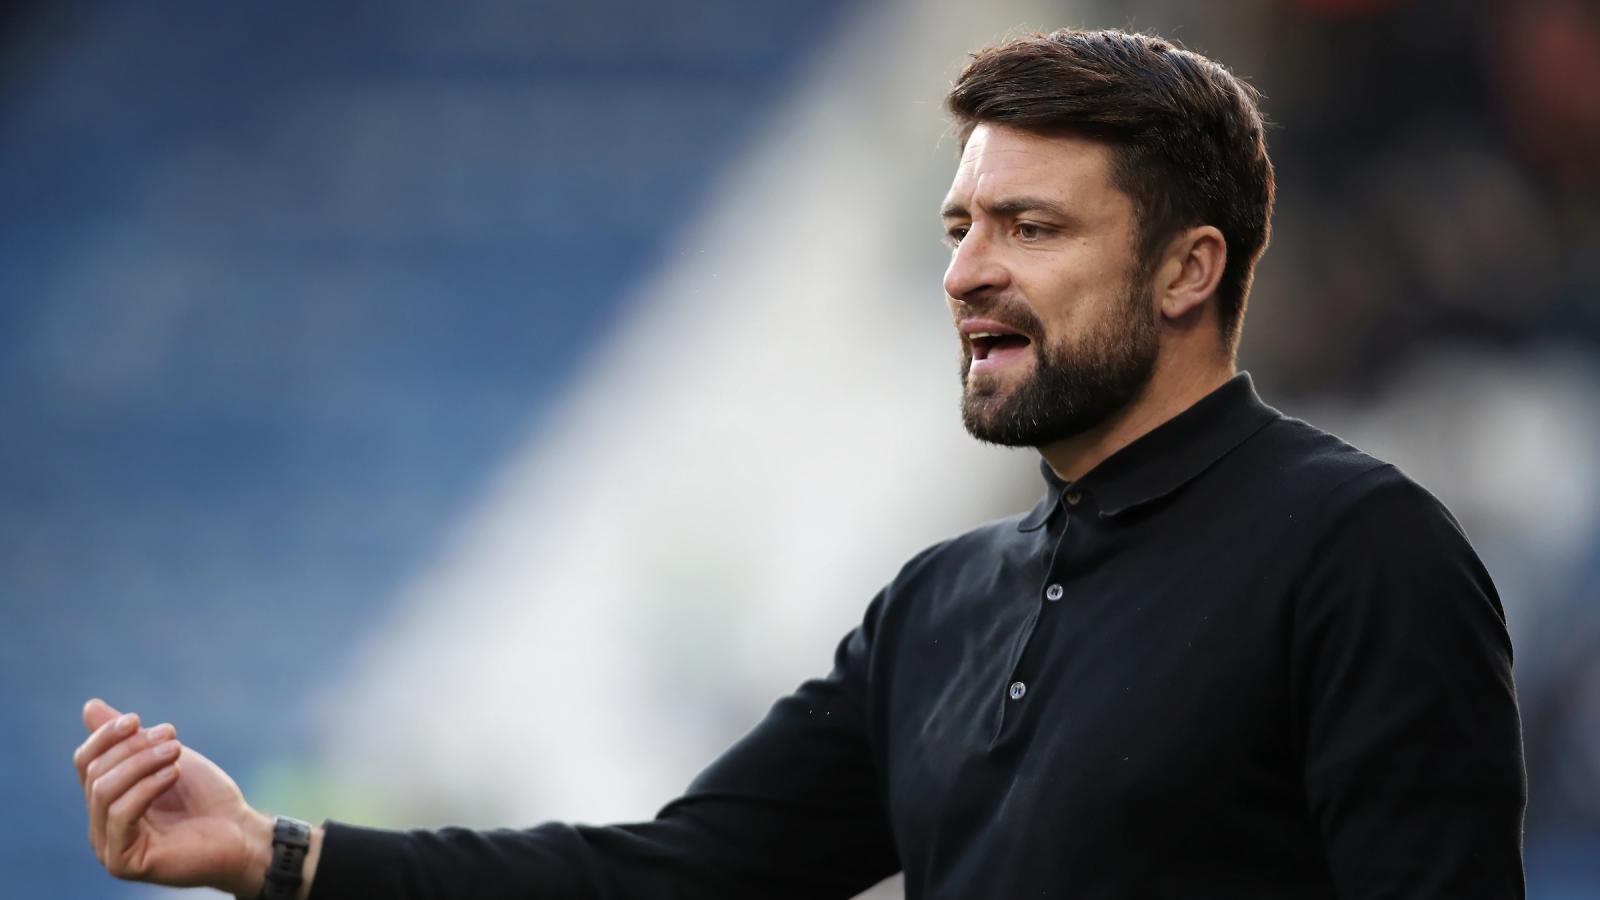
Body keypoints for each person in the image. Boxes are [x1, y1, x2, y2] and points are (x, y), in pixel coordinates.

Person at [72, 27, 1527, 900]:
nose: (967, 271)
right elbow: (670, 878)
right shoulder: (939, 606)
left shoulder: (1359, 550)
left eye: (1031, 228)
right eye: (958, 227)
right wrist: (280, 856)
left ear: (1188, 270)